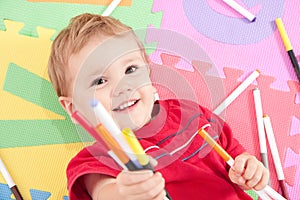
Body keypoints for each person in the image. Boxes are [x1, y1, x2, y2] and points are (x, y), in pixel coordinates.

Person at [47, 13, 269, 200]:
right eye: (99, 81)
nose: (122, 87)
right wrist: (126, 193)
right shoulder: (93, 161)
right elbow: (105, 192)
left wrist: (249, 169)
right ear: (73, 109)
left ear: (148, 70)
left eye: (131, 69)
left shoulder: (189, 113)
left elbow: (234, 154)